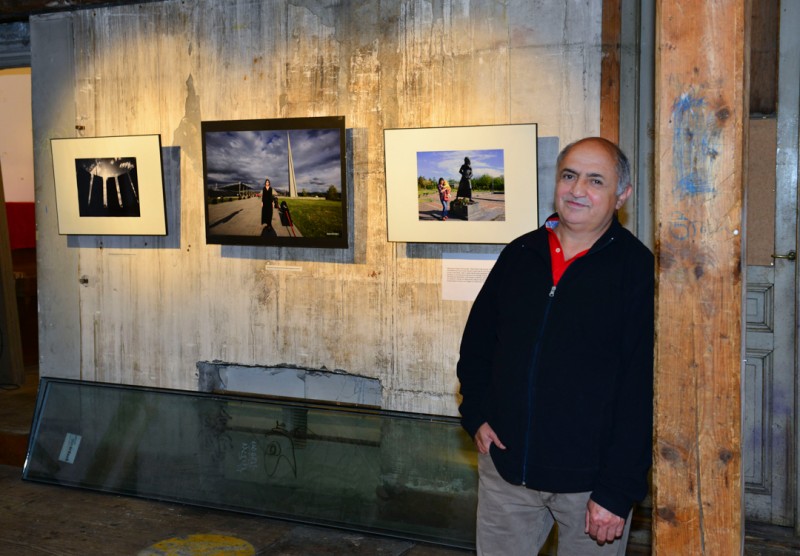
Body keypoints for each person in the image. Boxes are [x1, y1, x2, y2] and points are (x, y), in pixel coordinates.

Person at [457, 137, 654, 555]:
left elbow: (642, 387)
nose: (577, 189)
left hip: (591, 488)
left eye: (595, 180)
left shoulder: (637, 270)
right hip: (506, 474)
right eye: (569, 175)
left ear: (622, 195)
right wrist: (476, 414)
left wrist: (617, 489)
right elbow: (477, 346)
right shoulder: (519, 254)